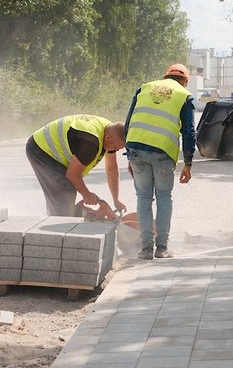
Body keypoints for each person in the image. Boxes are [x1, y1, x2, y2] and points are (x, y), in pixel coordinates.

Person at [124, 63, 196, 260]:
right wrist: (188, 163)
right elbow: (189, 131)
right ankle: (162, 248)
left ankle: (146, 249)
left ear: (165, 77)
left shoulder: (144, 88)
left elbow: (129, 122)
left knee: (143, 198)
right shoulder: (184, 95)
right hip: (163, 152)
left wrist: (129, 154)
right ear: (185, 81)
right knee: (163, 197)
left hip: (136, 148)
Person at [25, 115, 126, 217]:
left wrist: (116, 199)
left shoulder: (109, 131)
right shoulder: (90, 144)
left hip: (52, 149)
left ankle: (70, 215)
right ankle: (59, 221)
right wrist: (87, 195)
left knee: (66, 192)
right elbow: (72, 174)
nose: (116, 150)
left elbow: (111, 168)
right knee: (64, 191)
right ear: (108, 138)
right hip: (40, 149)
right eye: (116, 148)